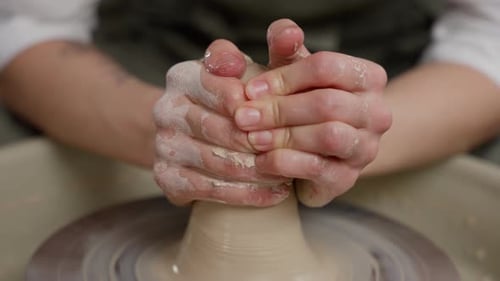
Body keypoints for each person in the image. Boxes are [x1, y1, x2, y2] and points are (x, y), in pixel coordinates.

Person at [0, 0, 499, 207]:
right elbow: (31, 29)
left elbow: (489, 39)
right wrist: (176, 129)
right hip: (147, 58)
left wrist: (340, 138)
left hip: (390, 70)